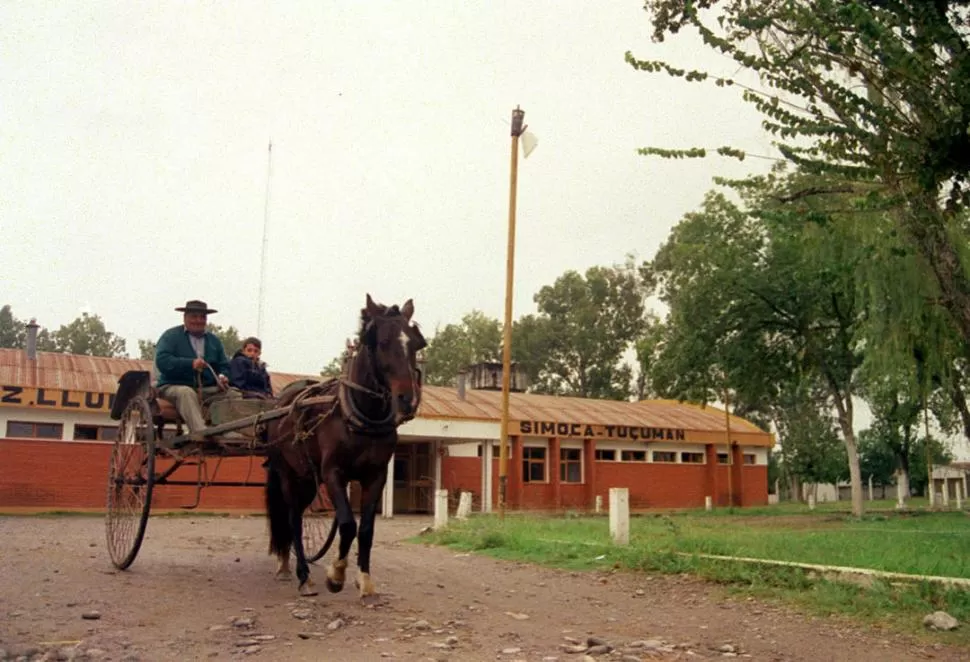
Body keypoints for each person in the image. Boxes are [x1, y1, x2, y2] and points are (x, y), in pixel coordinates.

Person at [154, 299, 236, 433]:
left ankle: (232, 431)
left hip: (206, 389)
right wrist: (190, 363)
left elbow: (224, 365)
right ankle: (201, 433)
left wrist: (223, 377)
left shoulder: (214, 341)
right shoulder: (170, 336)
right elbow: (163, 361)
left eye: (202, 317)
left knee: (234, 394)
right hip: (172, 386)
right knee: (186, 392)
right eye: (194, 316)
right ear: (185, 317)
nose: (198, 320)